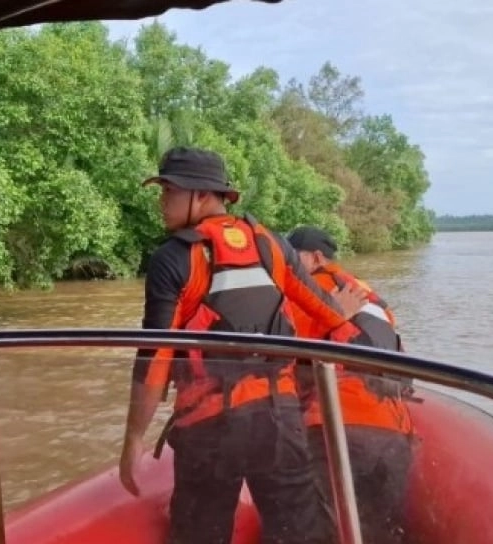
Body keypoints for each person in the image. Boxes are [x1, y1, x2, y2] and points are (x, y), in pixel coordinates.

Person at [118, 147, 369, 544]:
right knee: (300, 532)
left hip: (209, 425)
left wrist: (133, 438)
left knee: (200, 535)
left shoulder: (174, 258)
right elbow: (327, 313)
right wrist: (344, 313)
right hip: (279, 417)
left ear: (201, 195)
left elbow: (155, 358)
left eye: (169, 191)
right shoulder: (271, 244)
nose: (161, 201)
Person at [286, 225, 416, 544]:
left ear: (316, 258)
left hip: (337, 425)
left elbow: (286, 356)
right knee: (383, 528)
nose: (287, 265)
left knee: (326, 526)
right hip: (394, 429)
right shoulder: (368, 294)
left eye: (293, 257)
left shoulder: (308, 293)